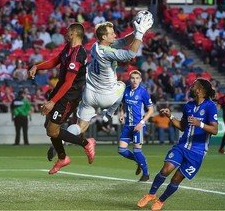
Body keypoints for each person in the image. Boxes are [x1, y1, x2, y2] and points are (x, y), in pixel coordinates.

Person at [46, 12, 154, 161]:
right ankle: (108, 115)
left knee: (81, 126)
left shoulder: (96, 46)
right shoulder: (108, 53)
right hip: (107, 96)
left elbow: (122, 41)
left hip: (89, 95)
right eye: (112, 33)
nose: (115, 35)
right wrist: (140, 34)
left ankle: (62, 141)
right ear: (104, 37)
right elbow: (130, 54)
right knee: (122, 85)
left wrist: (136, 31)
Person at [137, 78, 218, 211]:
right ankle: (151, 194)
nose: (190, 87)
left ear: (199, 90)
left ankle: (161, 201)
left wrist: (200, 124)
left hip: (197, 152)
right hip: (182, 146)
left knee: (176, 178)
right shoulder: (188, 106)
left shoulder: (210, 106)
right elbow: (181, 126)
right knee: (166, 169)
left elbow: (215, 130)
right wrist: (170, 116)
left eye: (193, 85)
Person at [28, 23, 96, 175]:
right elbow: (55, 60)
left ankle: (86, 143)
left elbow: (69, 82)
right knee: (49, 126)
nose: (65, 34)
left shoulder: (78, 54)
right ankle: (63, 158)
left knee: (52, 130)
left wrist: (52, 102)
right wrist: (37, 67)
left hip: (69, 96)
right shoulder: (68, 48)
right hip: (60, 91)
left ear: (73, 34)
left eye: (67, 32)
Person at [118, 70, 154, 182]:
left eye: (137, 78)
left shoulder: (143, 92)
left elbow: (151, 110)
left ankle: (146, 174)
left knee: (137, 150)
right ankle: (139, 161)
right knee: (121, 150)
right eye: (133, 78)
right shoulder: (126, 90)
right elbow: (123, 104)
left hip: (138, 126)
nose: (135, 80)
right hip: (128, 125)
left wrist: (141, 123)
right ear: (130, 79)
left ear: (140, 80)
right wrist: (122, 114)